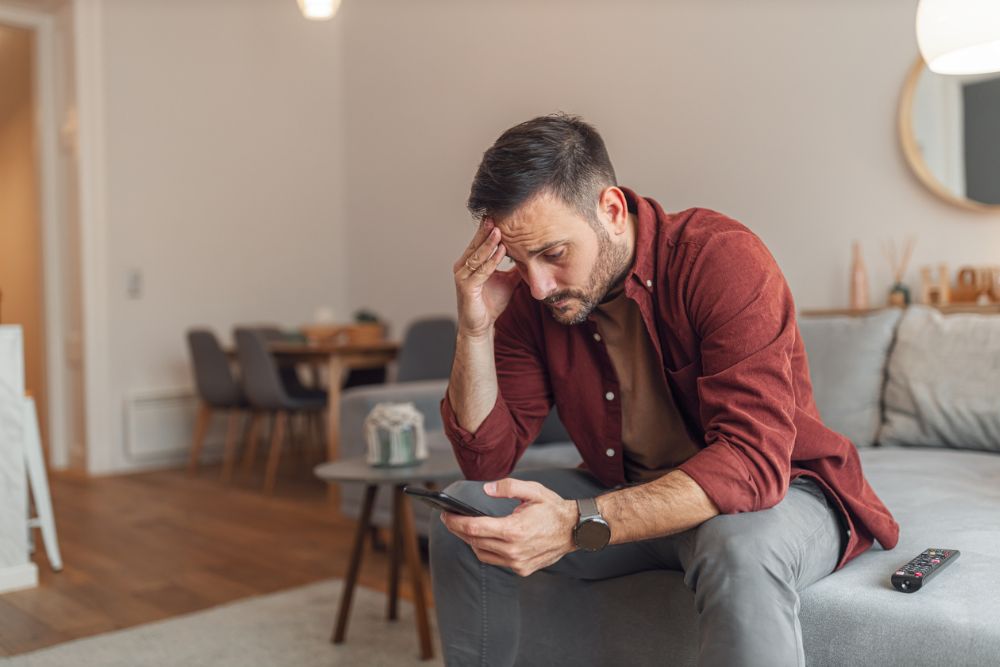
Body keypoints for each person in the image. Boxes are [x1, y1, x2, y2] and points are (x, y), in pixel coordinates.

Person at [431, 112, 898, 667]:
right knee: (467, 509)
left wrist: (581, 522)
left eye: (554, 254)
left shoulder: (719, 257)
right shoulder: (537, 300)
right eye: (519, 260)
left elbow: (752, 463)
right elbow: (486, 459)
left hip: (777, 495)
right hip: (631, 490)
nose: (537, 285)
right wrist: (475, 328)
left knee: (736, 545)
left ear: (610, 210)